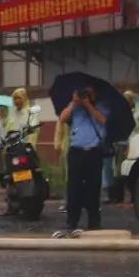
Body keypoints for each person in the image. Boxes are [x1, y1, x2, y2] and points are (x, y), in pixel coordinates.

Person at [57, 87, 107, 236]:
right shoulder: (75, 107)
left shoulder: (102, 106)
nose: (85, 95)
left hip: (94, 152)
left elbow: (102, 120)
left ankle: (94, 221)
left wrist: (88, 105)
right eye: (83, 92)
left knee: (93, 188)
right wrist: (74, 102)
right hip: (76, 151)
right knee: (73, 188)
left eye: (89, 93)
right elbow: (62, 118)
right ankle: (72, 221)